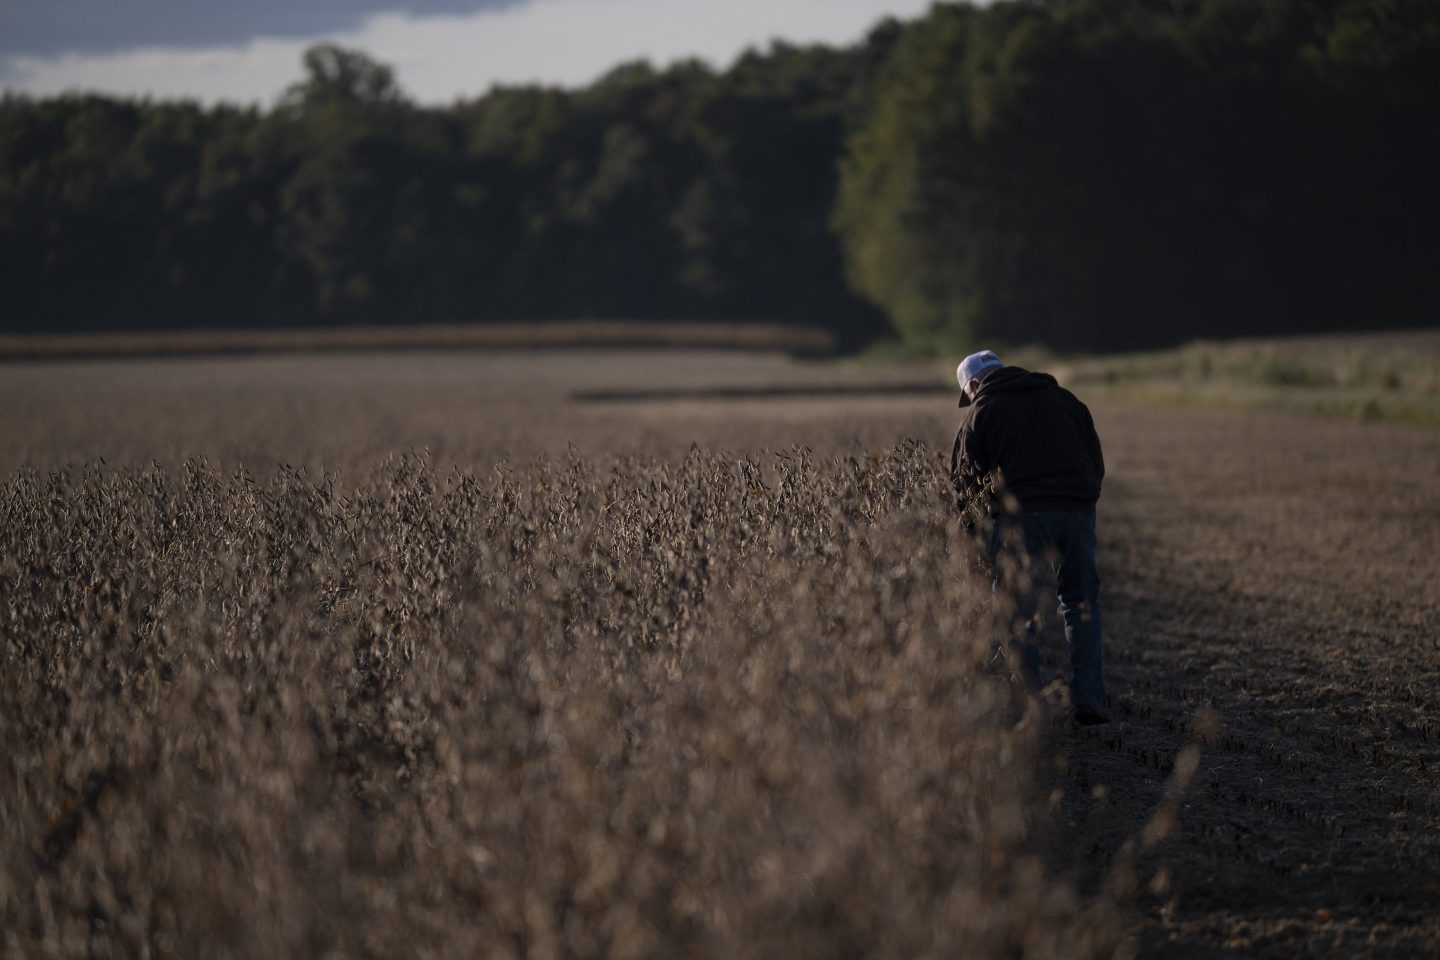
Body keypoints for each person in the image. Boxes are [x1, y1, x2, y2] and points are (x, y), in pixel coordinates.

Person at [950, 349, 1109, 725]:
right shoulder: (1066, 400)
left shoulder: (980, 414)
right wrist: (1080, 502)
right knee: (1080, 603)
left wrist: (971, 541)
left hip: (1020, 519)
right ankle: (1089, 699)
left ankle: (1029, 705)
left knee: (1017, 613)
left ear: (973, 385)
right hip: (1076, 512)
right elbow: (1094, 462)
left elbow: (964, 488)